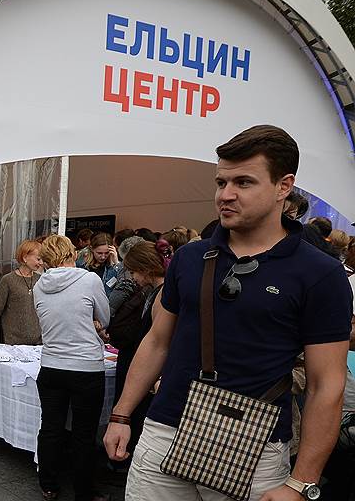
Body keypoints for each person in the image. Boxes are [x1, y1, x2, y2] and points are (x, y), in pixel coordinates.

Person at [104, 125, 353, 501]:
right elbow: (157, 341)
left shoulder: (320, 273)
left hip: (254, 444)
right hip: (164, 431)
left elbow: (326, 385)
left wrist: (301, 483)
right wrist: (122, 414)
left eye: (244, 182)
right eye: (221, 182)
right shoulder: (190, 257)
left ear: (284, 187)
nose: (226, 194)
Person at [33, 235, 111, 501]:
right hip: (85, 366)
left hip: (51, 365)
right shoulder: (89, 280)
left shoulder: (40, 286)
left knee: (51, 427)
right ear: (73, 254)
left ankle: (48, 484)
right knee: (83, 432)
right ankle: (84, 491)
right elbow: (104, 317)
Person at [107, 241, 166, 461]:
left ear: (145, 269)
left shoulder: (162, 294)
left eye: (133, 272)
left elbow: (158, 341)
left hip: (148, 372)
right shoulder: (155, 292)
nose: (132, 278)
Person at [0, 239, 43, 345]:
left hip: (38, 343)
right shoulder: (8, 280)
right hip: (13, 343)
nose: (41, 263)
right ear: (25, 258)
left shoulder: (41, 280)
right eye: (38, 259)